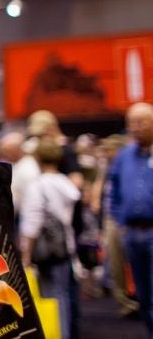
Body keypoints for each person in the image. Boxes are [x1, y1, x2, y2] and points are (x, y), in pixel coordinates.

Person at [20, 139, 81, 339]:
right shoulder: (65, 183)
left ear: (37, 158)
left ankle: (58, 334)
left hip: (46, 251)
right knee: (64, 294)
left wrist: (26, 253)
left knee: (50, 296)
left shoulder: (37, 186)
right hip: (65, 247)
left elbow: (32, 222)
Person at [107, 101, 153, 334]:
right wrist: (119, 221)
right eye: (131, 123)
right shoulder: (124, 156)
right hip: (132, 233)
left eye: (140, 122)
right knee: (143, 294)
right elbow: (113, 190)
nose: (135, 127)